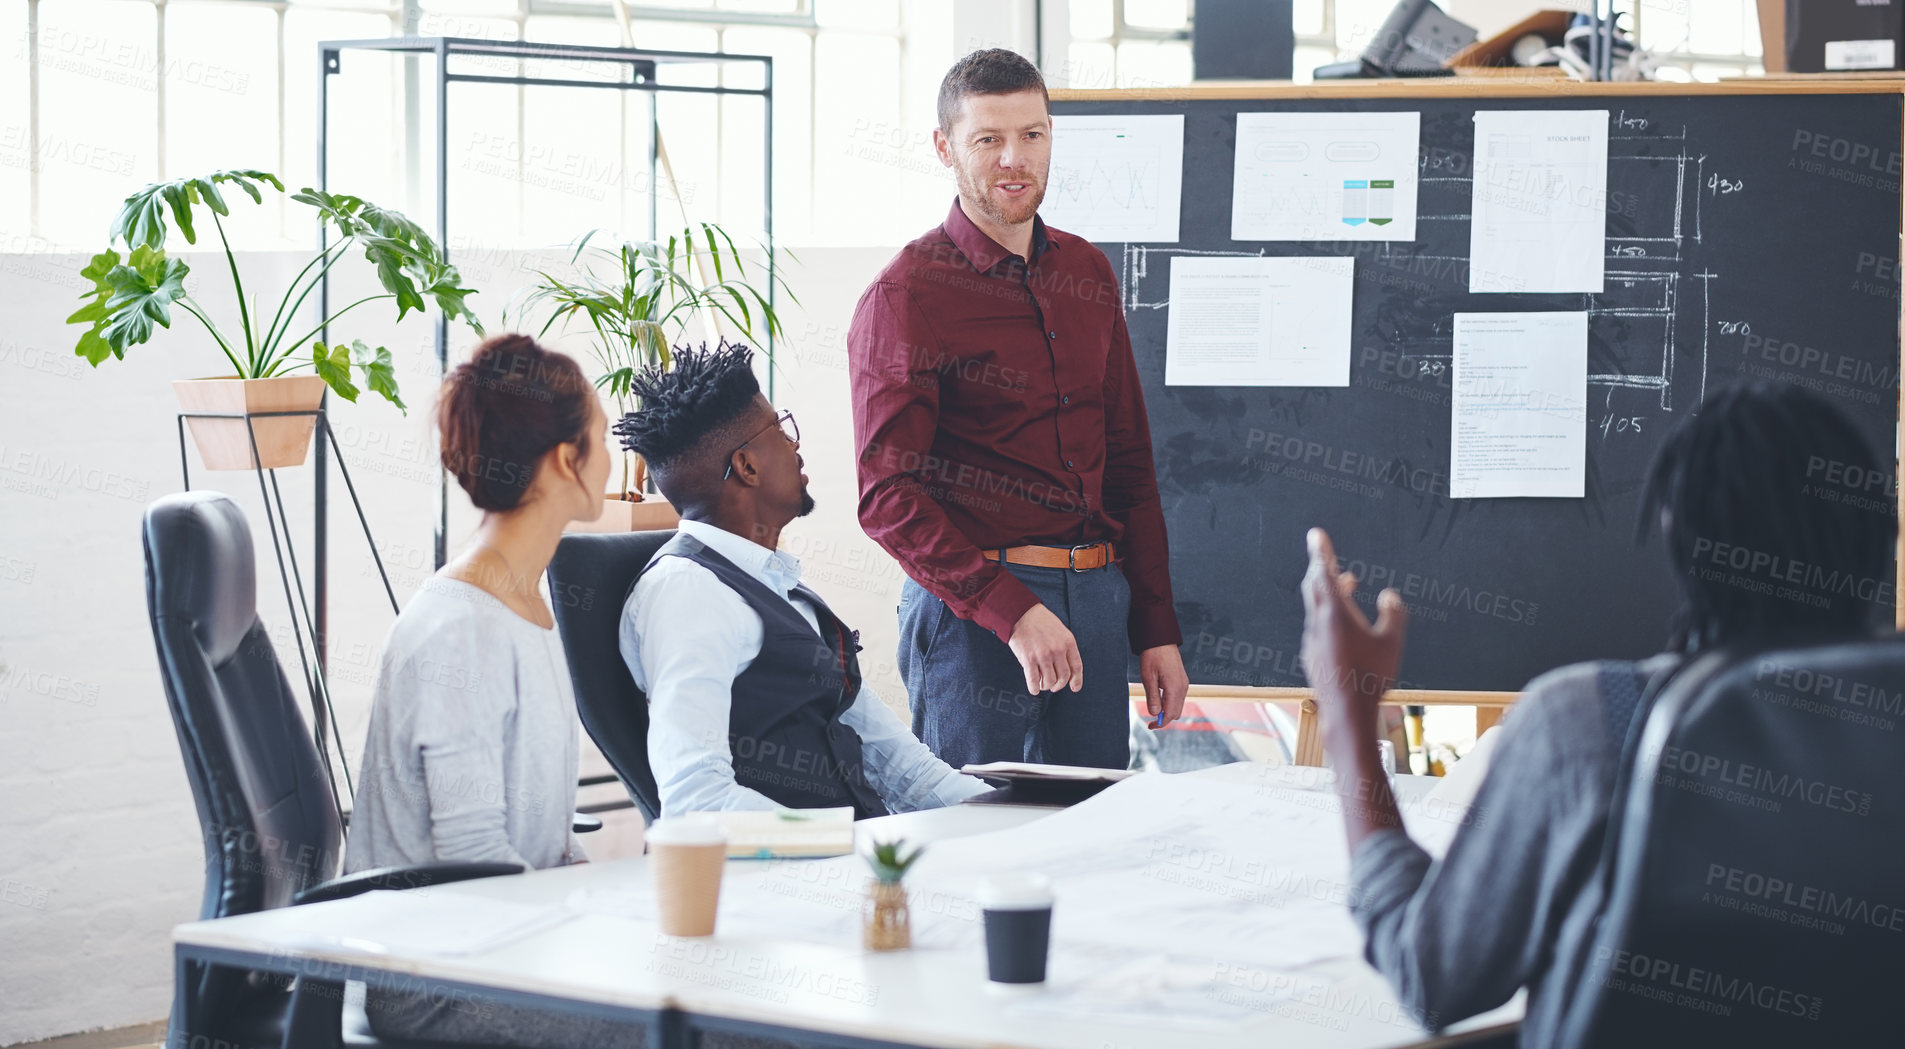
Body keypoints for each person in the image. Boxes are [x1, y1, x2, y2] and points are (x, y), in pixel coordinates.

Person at [1297, 381, 1896, 1045]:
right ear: (1876, 534)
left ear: (1676, 533)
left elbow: (1430, 974)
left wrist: (1347, 712)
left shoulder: (1588, 726)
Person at [847, 47, 1188, 771]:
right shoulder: (907, 294)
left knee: (1088, 838)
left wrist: (1155, 626)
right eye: (988, 139)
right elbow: (887, 497)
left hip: (1096, 601)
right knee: (968, 847)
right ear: (945, 148)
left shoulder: (1087, 271)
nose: (1014, 159)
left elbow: (1128, 465)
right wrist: (1013, 611)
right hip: (977, 620)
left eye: (1032, 135)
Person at [345, 334, 637, 1048]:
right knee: (717, 1029)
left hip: (503, 946)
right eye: (601, 437)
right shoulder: (459, 630)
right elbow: (472, 859)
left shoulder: (519, 603)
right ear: (567, 459)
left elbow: (535, 842)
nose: (611, 458)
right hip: (438, 983)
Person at [615, 342, 992, 818]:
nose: (795, 445)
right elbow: (696, 802)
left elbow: (907, 773)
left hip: (854, 863)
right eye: (780, 430)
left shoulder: (778, 589)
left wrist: (1016, 813)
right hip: (792, 880)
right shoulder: (688, 593)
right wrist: (845, 841)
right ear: (747, 466)